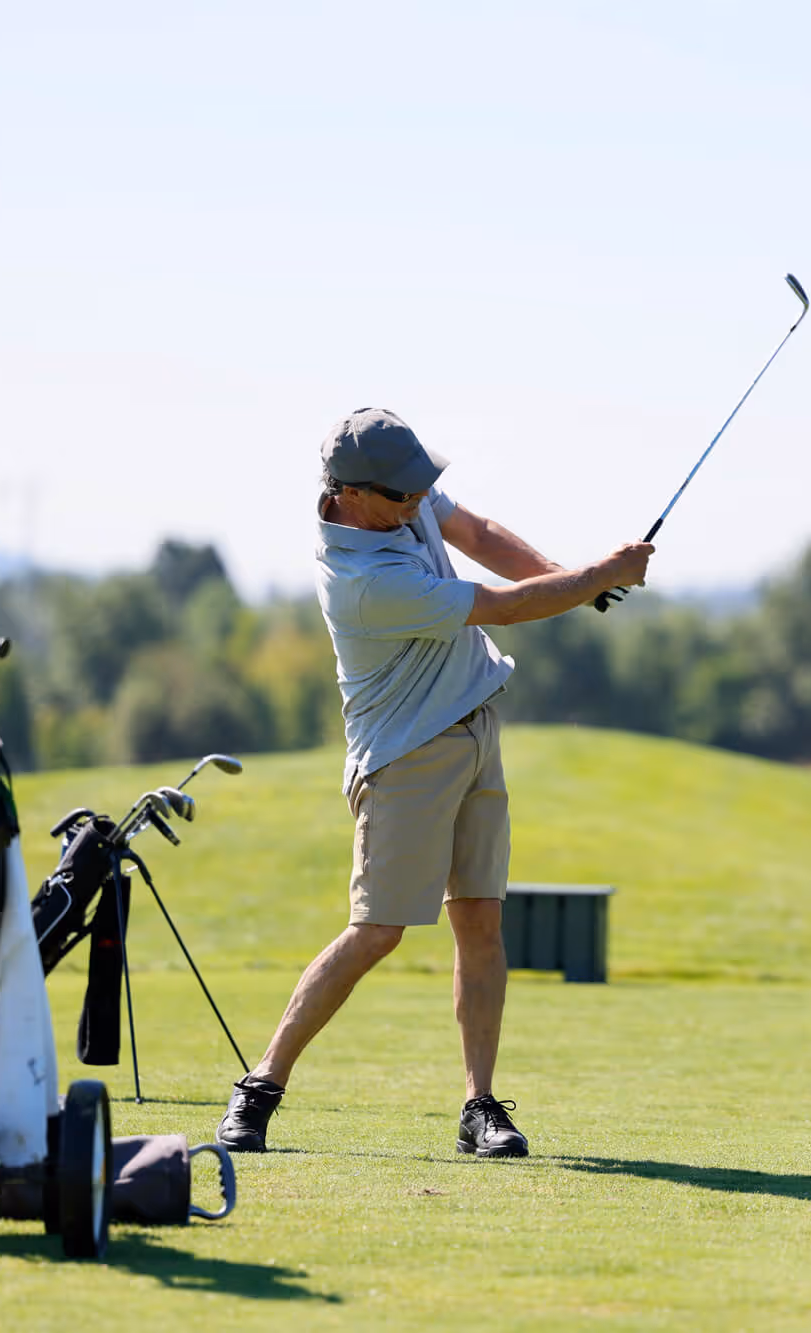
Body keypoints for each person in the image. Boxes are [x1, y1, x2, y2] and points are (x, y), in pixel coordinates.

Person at [217, 407, 652, 1158]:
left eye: (422, 489)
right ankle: (260, 1087)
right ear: (350, 493)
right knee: (376, 930)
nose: (418, 505)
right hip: (405, 757)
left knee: (481, 922)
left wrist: (568, 578)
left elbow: (479, 537)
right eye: (402, 496)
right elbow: (503, 608)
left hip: (475, 729)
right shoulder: (362, 579)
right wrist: (594, 581)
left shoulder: (398, 497)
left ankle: (480, 1106)